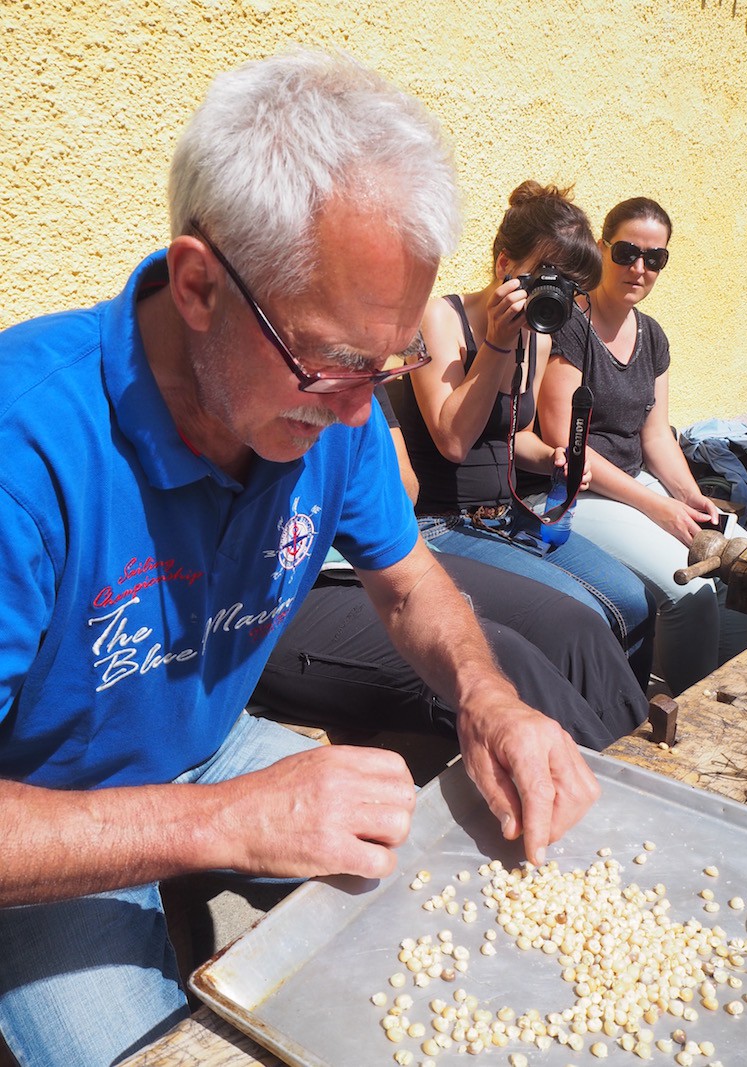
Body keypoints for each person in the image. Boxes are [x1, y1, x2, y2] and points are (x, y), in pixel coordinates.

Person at [0, 52, 601, 1066]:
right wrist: (218, 820)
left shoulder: (336, 405)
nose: (361, 414)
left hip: (209, 749)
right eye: (329, 364)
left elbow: (408, 583)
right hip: (44, 822)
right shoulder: (28, 444)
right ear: (199, 283)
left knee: (458, 917)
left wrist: (486, 700)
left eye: (390, 360)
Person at [254, 386, 649, 750]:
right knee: (503, 659)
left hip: (366, 560)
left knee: (571, 625)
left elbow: (402, 492)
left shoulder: (355, 393)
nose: (359, 410)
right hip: (277, 597)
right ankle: (609, 811)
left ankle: (647, 779)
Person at [394, 180, 655, 690]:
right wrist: (497, 343)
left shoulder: (540, 332)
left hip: (508, 516)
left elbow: (515, 436)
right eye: (545, 276)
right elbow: (452, 439)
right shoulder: (438, 317)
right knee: (582, 615)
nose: (554, 294)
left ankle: (627, 727)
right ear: (503, 265)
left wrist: (555, 457)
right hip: (441, 524)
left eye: (568, 285)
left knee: (631, 598)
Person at [537, 196, 747, 695]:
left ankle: (733, 699)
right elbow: (562, 438)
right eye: (626, 253)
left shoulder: (653, 336)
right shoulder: (570, 326)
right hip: (576, 490)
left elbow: (656, 433)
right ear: (602, 249)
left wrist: (688, 495)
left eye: (654, 258)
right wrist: (658, 507)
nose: (639, 268)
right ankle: (676, 714)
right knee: (692, 594)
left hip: (635, 486)